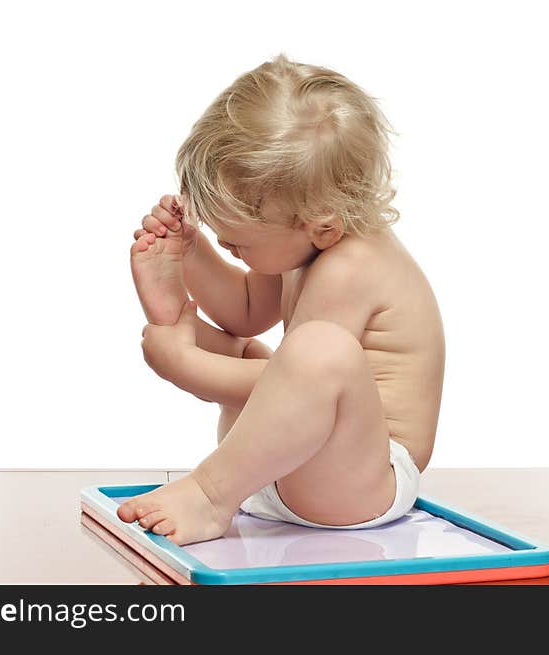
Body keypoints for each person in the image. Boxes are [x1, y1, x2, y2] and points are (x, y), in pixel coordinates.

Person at [116, 53, 445, 546]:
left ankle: (210, 494)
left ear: (322, 223)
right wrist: (193, 255)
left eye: (238, 243)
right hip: (300, 465)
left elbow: (298, 377)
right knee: (247, 350)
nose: (229, 245)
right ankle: (174, 318)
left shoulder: (351, 267)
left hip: (361, 483)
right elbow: (246, 313)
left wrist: (182, 365)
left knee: (316, 352)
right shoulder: (305, 240)